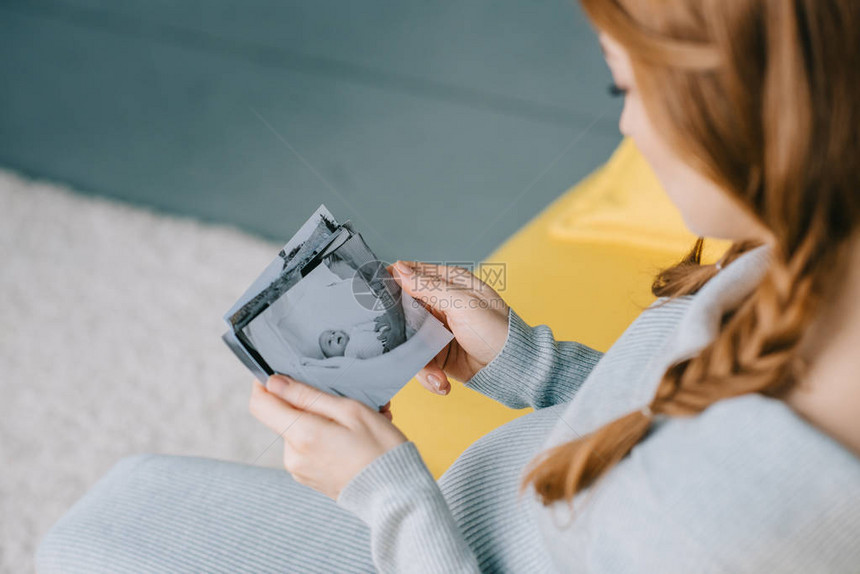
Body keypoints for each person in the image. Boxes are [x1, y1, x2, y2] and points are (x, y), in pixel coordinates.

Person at [35, 0, 860, 572]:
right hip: (475, 521)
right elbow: (660, 416)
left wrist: (386, 493)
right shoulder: (804, 256)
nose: (627, 125)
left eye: (630, 87)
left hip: (437, 546)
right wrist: (526, 364)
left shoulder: (740, 528)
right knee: (120, 511)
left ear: (754, 107)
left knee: (86, 551)